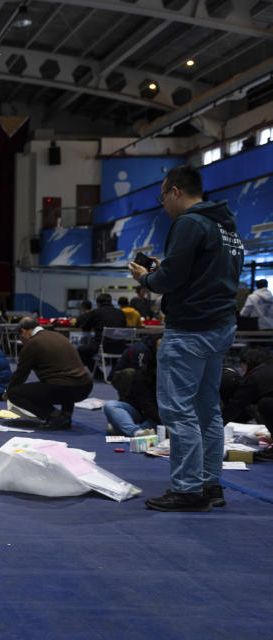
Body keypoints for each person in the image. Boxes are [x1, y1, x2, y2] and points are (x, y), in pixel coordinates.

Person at [129, 164, 244, 512]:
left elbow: (171, 280)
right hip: (220, 327)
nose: (162, 204)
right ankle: (211, 484)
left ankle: (187, 489)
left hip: (190, 328)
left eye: (163, 196)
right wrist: (170, 268)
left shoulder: (189, 223)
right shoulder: (226, 227)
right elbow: (204, 273)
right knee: (207, 409)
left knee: (179, 412)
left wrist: (147, 278)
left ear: (176, 191)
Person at [5, 318, 94, 430]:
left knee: (15, 393)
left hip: (65, 387)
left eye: (20, 337)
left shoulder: (32, 343)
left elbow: (21, 374)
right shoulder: (58, 336)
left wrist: (8, 392)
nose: (21, 341)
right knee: (63, 378)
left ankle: (55, 416)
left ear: (23, 332)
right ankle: (66, 415)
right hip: (85, 385)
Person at [104, 338, 159, 437]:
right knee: (110, 405)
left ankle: (124, 429)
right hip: (143, 411)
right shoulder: (141, 374)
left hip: (157, 417)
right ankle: (135, 431)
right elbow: (145, 403)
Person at [75, 293, 127, 371]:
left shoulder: (96, 312)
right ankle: (113, 374)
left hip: (103, 346)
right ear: (111, 302)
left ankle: (98, 374)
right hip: (121, 346)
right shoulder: (121, 313)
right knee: (113, 344)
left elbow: (85, 327)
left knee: (81, 350)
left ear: (98, 303)